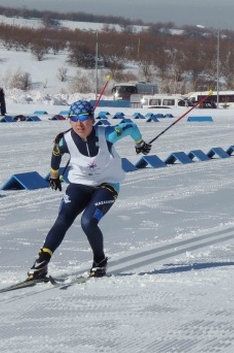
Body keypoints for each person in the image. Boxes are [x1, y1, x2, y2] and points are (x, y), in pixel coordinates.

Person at [27, 99, 153, 281]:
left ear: (92, 119)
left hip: (107, 185)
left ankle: (99, 261)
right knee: (63, 218)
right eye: (74, 118)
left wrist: (139, 143)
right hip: (80, 184)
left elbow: (130, 126)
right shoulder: (65, 140)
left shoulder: (107, 135)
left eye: (84, 118)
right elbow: (56, 152)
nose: (79, 123)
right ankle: (41, 262)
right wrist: (54, 175)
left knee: (88, 222)